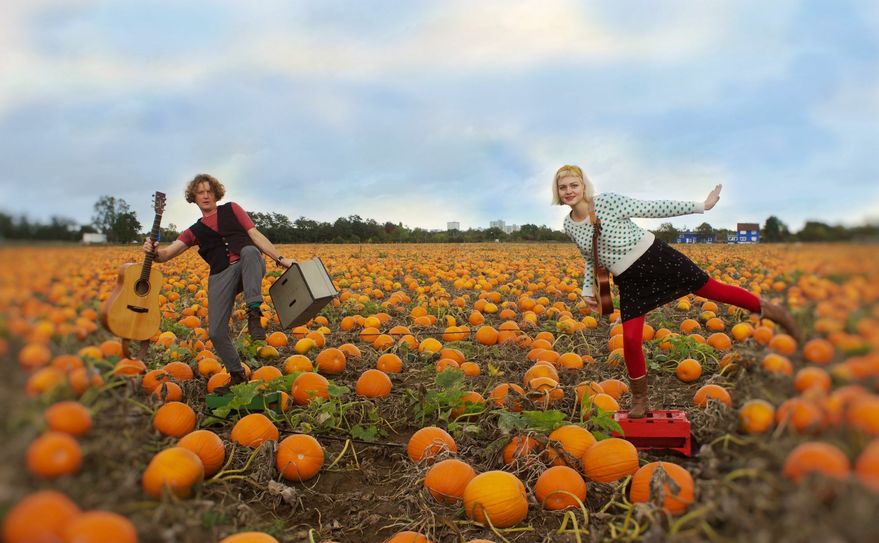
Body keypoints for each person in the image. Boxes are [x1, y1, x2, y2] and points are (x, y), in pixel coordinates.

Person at [553, 165, 801, 418]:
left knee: (715, 291)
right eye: (563, 187)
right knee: (629, 339)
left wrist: (701, 206)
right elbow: (590, 258)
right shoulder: (570, 225)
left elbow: (652, 208)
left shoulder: (607, 202)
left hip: (658, 259)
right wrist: (587, 289)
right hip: (630, 280)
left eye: (574, 185)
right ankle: (640, 399)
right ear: (558, 192)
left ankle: (775, 313)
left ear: (584, 186)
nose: (569, 191)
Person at [144, 173, 295, 393]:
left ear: (216, 193)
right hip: (221, 274)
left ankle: (254, 312)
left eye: (209, 191)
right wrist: (153, 251)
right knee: (215, 331)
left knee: (251, 251)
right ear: (194, 198)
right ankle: (236, 374)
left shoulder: (232, 209)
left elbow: (255, 235)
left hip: (248, 266)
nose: (205, 196)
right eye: (200, 192)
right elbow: (167, 254)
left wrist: (281, 260)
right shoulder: (193, 231)